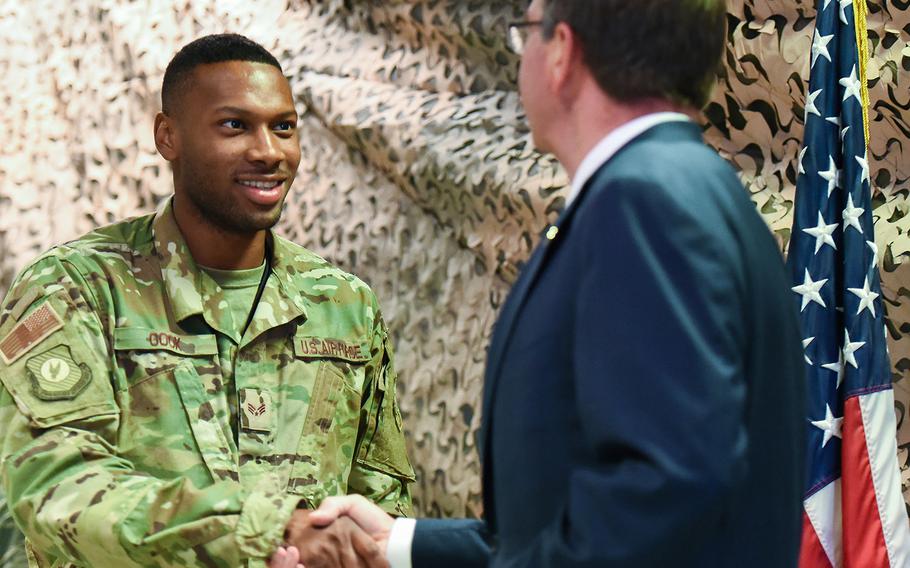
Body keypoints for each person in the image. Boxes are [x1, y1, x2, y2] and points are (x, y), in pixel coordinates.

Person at [308, 0, 807, 566]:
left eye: (526, 33)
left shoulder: (642, 201)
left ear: (562, 53)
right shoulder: (690, 187)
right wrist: (395, 543)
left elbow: (666, 488)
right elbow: (582, 511)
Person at [0, 33, 413, 568]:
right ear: (167, 136)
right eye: (234, 125)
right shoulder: (78, 288)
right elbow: (57, 488)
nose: (268, 152)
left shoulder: (343, 303)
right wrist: (265, 532)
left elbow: (381, 503)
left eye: (283, 127)